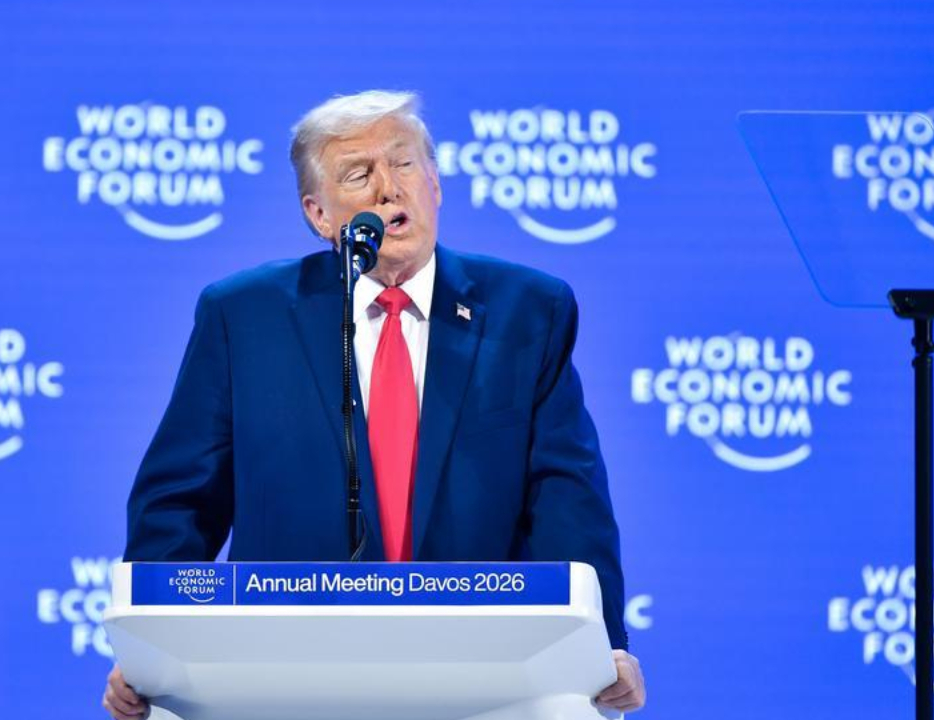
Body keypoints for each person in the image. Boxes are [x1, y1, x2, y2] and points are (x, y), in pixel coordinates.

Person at [102, 90, 646, 719]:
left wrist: (600, 644)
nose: (389, 190)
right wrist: (151, 649)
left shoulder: (530, 310)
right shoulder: (244, 315)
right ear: (318, 213)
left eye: (405, 164)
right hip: (283, 674)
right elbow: (180, 499)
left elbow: (567, 493)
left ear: (435, 184)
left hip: (480, 675)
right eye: (359, 175)